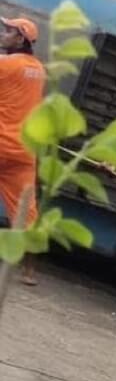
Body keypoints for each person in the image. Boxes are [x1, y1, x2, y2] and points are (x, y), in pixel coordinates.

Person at [0, 17, 45, 286]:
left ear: (21, 39)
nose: (4, 33)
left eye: (9, 31)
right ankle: (29, 273)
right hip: (23, 152)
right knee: (28, 214)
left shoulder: (7, 64)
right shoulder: (38, 69)